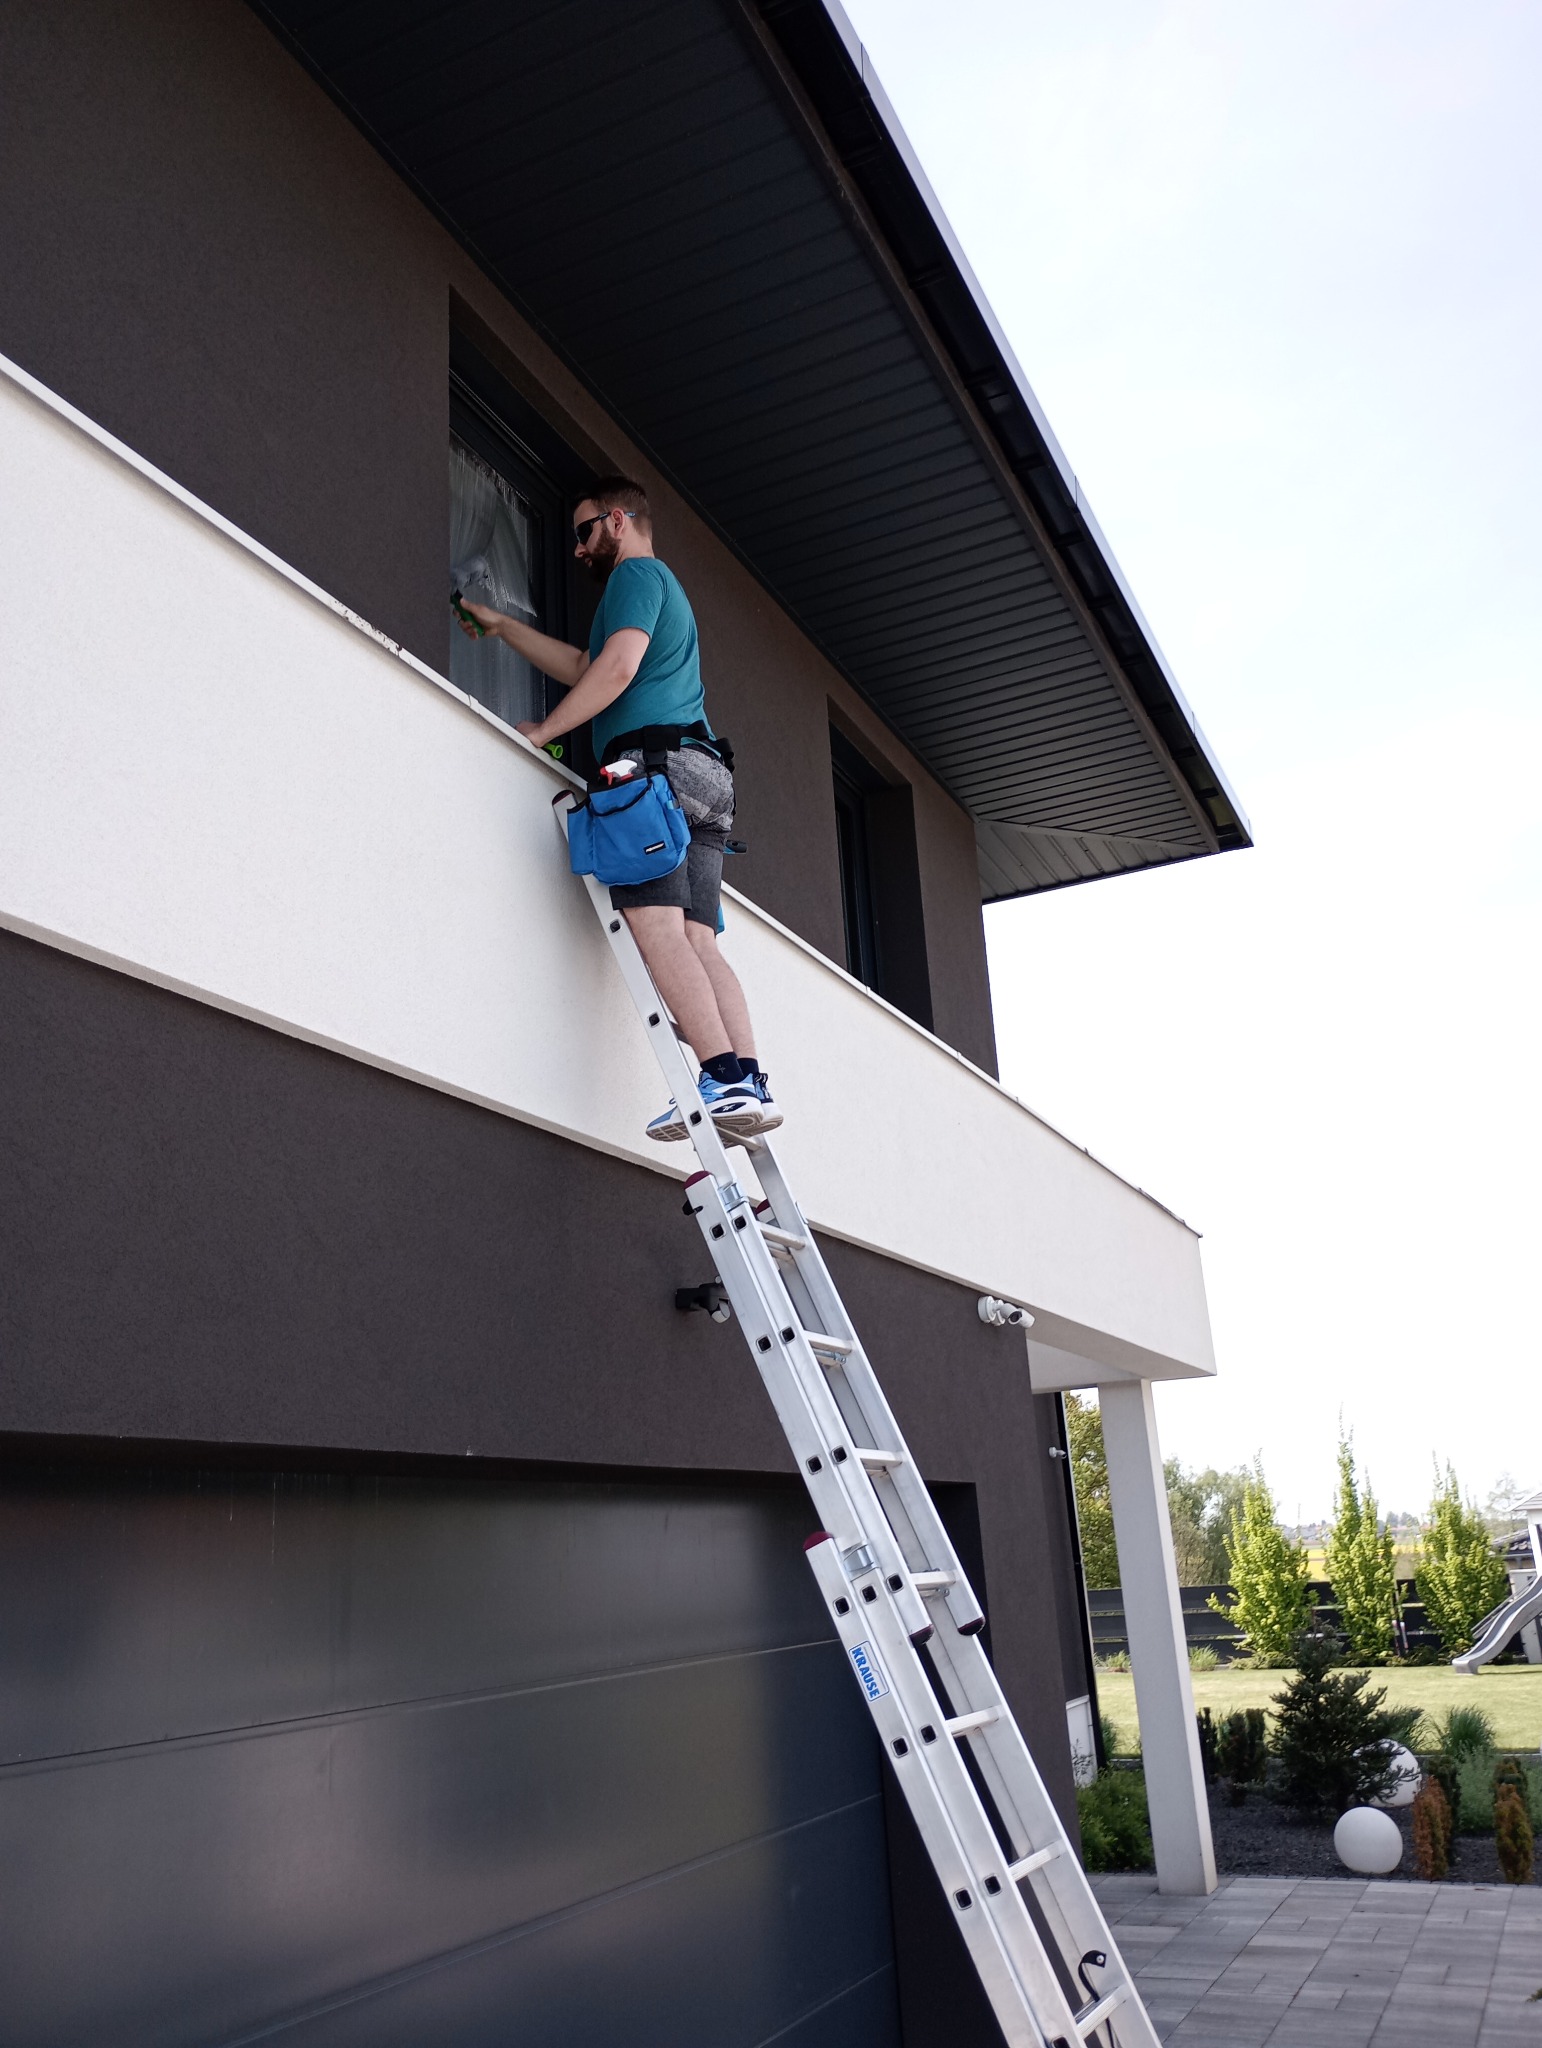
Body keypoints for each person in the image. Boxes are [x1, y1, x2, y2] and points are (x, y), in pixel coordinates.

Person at [460, 476, 778, 1144]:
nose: (577, 551)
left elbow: (617, 670)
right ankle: (745, 1079)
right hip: (706, 778)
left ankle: (717, 1077)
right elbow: (586, 662)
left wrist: (544, 733)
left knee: (656, 928)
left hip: (653, 771)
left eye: (582, 533)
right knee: (698, 938)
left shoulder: (635, 576)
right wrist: (502, 626)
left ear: (617, 520)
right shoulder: (660, 591)